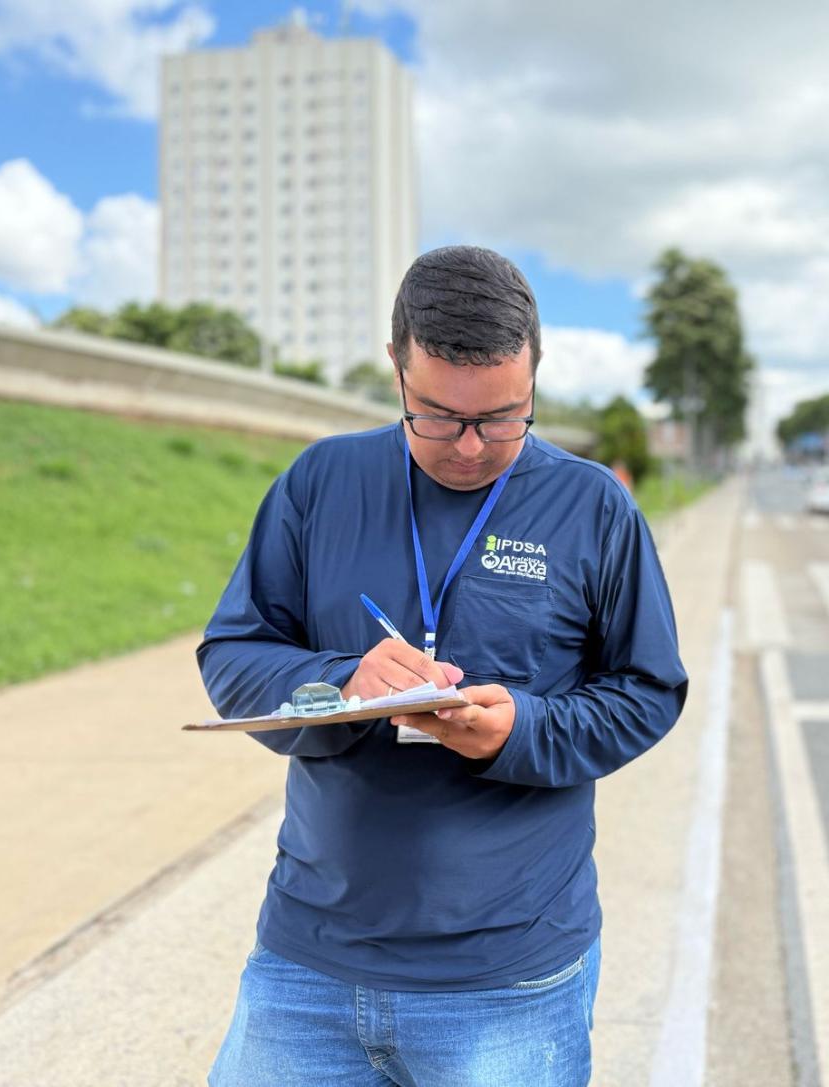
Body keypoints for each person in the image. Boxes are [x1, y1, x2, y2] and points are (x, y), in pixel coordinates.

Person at [198, 245, 688, 1086]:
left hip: (510, 978)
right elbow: (235, 652)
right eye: (437, 416)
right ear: (396, 366)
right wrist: (340, 685)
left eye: (502, 418)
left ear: (535, 373)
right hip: (308, 965)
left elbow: (648, 689)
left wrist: (522, 730)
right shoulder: (319, 482)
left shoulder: (594, 506)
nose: (469, 447)